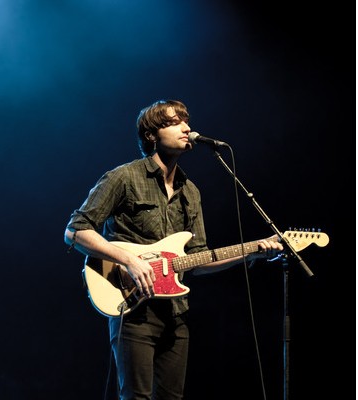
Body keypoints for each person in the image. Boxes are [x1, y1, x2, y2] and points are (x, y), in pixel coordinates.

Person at [63, 99, 283, 400]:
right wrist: (128, 260)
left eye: (186, 121)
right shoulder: (124, 177)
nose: (186, 127)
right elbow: (75, 230)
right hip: (132, 307)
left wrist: (251, 252)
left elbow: (199, 259)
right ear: (152, 135)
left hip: (175, 313)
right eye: (174, 122)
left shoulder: (190, 192)